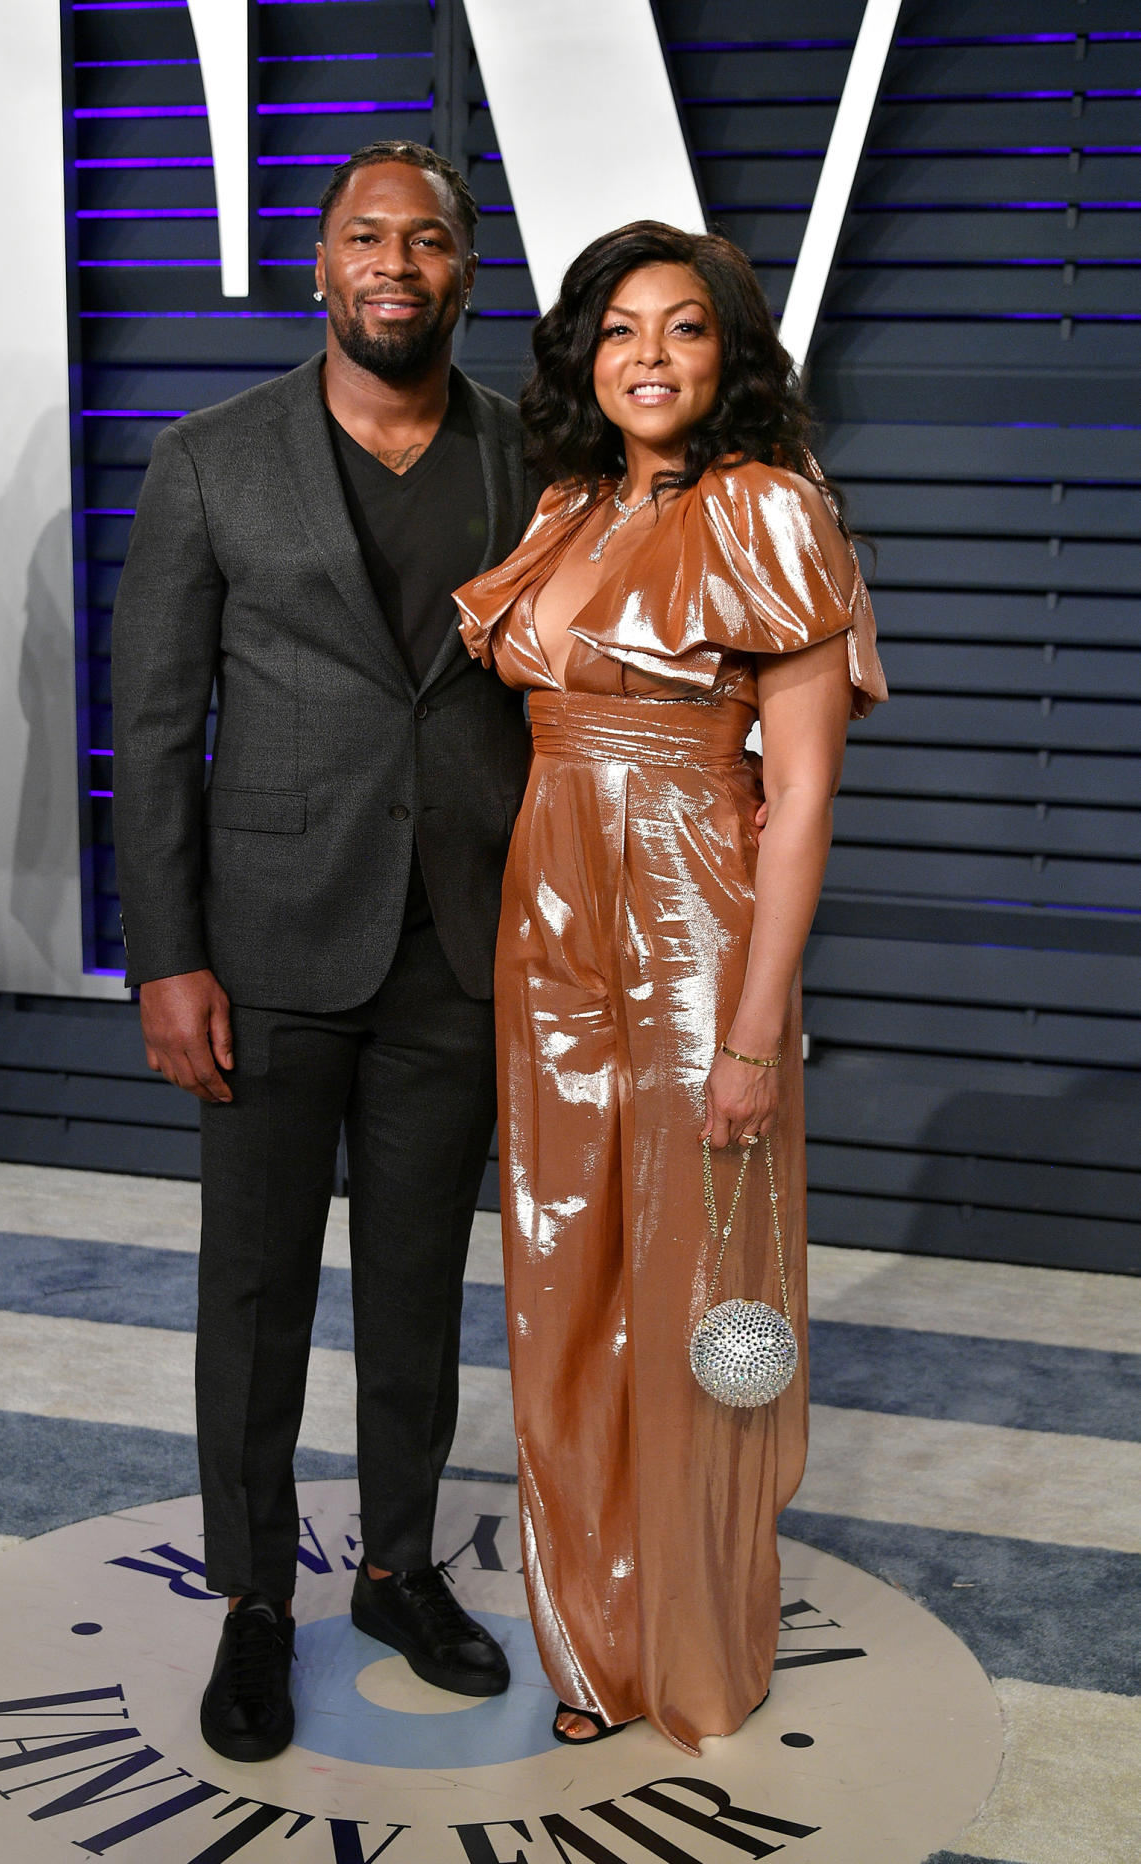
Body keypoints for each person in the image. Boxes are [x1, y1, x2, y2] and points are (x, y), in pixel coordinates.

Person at [111, 141, 539, 1764]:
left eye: (426, 242)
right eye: (366, 236)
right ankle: (249, 1603)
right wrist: (167, 958)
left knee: (421, 1288)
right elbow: (152, 730)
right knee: (255, 1294)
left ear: (463, 274)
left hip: (460, 943)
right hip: (266, 947)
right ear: (319, 265)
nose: (395, 264)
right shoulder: (211, 459)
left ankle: (391, 1571)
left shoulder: (533, 460)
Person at [453, 221, 886, 1752]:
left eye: (684, 328)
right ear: (582, 355)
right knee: (562, 1282)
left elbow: (807, 794)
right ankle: (590, 1640)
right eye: (618, 327)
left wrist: (755, 1033)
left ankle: (693, 1642)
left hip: (698, 929)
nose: (648, 354)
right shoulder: (566, 507)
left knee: (705, 1294)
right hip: (549, 923)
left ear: (728, 355)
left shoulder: (770, 509)